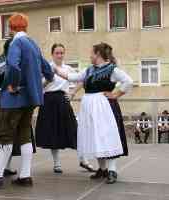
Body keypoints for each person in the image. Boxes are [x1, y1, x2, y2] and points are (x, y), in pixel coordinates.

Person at [0, 13, 54, 190]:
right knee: (25, 135)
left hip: (13, 100)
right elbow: (49, 72)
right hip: (31, 99)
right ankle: (25, 175)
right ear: (25, 27)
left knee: (5, 136)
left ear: (11, 28)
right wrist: (37, 86)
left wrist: (13, 84)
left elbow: (13, 65)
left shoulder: (16, 42)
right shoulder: (33, 44)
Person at [55, 42, 133, 184]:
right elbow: (73, 77)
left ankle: (112, 170)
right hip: (90, 107)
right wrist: (54, 69)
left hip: (104, 107)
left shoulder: (112, 69)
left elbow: (128, 81)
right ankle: (102, 169)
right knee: (95, 136)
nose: (90, 55)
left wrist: (116, 94)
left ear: (97, 54)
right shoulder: (89, 70)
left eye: (91, 53)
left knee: (106, 136)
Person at [0, 38, 36, 177]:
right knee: (8, 132)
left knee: (3, 131)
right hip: (13, 97)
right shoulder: (18, 62)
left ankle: (4, 167)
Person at [35, 43, 95, 173]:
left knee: (74, 130)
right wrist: (47, 80)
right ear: (52, 54)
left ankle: (83, 160)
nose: (59, 55)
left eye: (62, 53)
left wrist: (73, 93)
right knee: (53, 133)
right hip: (48, 101)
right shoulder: (46, 68)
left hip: (63, 100)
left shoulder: (68, 68)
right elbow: (39, 87)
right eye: (57, 53)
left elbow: (82, 79)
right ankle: (57, 164)